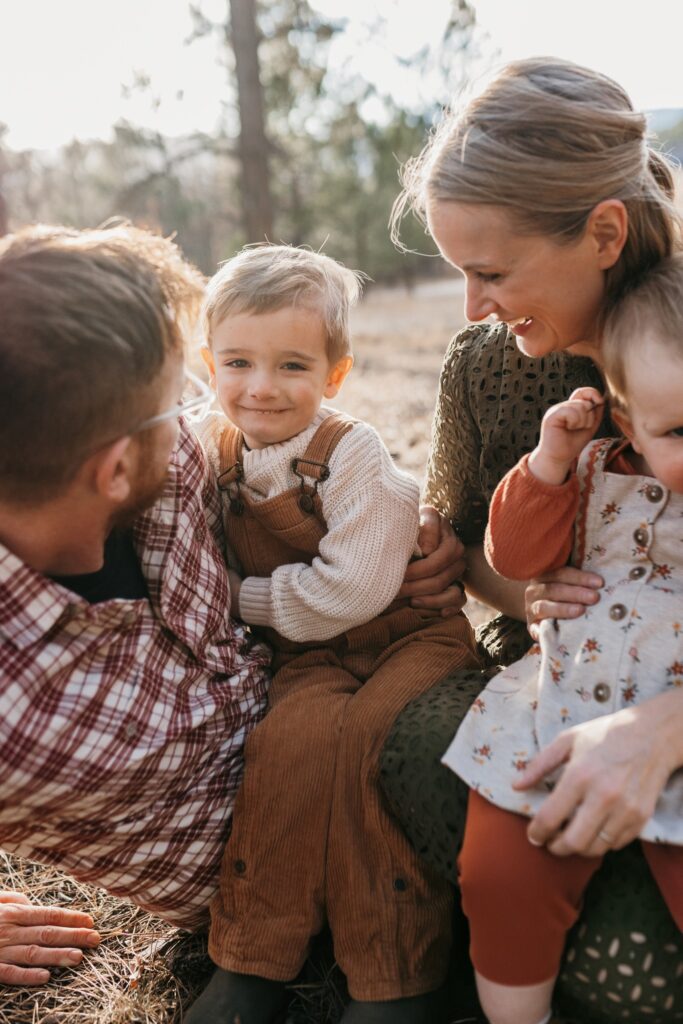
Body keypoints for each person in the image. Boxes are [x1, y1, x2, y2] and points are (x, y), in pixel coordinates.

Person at [0, 225, 465, 987]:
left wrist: (401, 535)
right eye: (174, 402)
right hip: (254, 896)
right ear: (115, 467)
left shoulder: (176, 458)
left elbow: (327, 477)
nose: (197, 410)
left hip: (351, 691)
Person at [381, 56, 683, 1021]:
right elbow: (475, 554)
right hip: (556, 683)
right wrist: (507, 584)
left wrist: (658, 729)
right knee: (408, 761)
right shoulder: (487, 366)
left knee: (636, 956)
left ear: (603, 232)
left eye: (491, 272)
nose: (473, 308)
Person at [185, 244, 480, 1024]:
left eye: (291, 366)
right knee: (288, 744)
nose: (260, 387)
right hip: (311, 651)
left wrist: (239, 597)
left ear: (334, 375)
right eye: (239, 362)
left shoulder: (350, 454)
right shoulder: (211, 450)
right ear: (208, 363)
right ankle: (250, 956)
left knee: (369, 744)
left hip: (407, 636)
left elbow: (354, 587)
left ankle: (393, 974)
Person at [442, 255, 683, 1024]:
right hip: (558, 710)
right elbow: (511, 558)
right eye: (677, 430)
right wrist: (547, 462)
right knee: (499, 876)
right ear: (625, 420)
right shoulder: (582, 472)